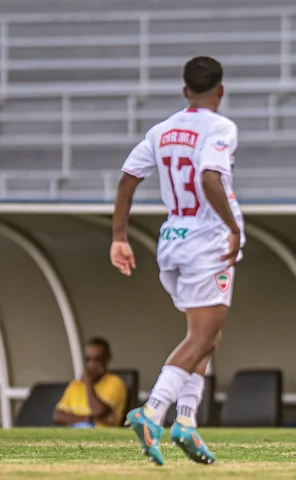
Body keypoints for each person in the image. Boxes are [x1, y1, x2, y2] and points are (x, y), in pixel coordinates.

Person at [111, 55, 245, 465]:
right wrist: (233, 228)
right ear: (221, 90)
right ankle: (152, 413)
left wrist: (119, 236)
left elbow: (128, 179)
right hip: (207, 241)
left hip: (172, 239)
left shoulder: (162, 130)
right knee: (201, 337)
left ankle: (186, 420)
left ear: (185, 91)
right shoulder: (221, 127)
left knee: (207, 335)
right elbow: (209, 176)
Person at [54, 337, 127, 428]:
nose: (91, 364)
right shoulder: (76, 385)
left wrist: (89, 383)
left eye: (97, 359)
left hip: (101, 435)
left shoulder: (115, 382)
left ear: (107, 359)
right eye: (87, 359)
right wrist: (89, 419)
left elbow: (98, 411)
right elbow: (58, 416)